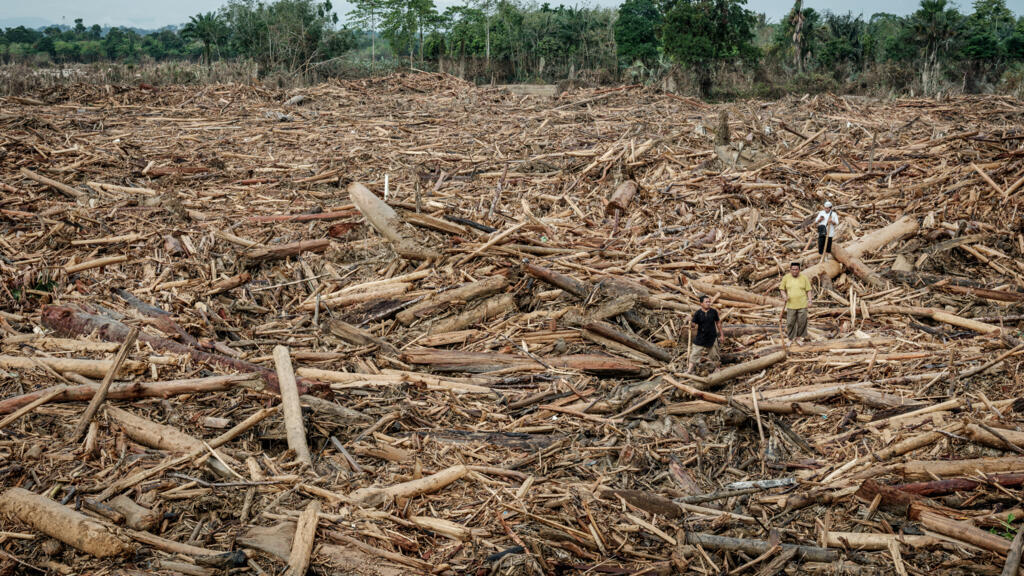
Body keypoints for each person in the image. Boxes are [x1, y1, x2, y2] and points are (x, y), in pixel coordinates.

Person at [687, 295, 724, 373]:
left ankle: (717, 369)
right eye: (706, 302)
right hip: (700, 337)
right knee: (694, 354)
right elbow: (693, 326)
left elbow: (718, 323)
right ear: (701, 303)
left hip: (712, 337)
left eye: (709, 302)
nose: (708, 303)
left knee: (715, 355)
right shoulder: (698, 313)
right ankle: (689, 370)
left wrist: (721, 335)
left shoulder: (713, 312)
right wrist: (690, 321)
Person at [779, 262, 812, 342]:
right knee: (790, 322)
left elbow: (808, 290)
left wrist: (810, 300)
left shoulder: (804, 278)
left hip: (802, 304)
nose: (794, 271)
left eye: (796, 269)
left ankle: (799, 337)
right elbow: (782, 289)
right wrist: (784, 296)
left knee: (802, 322)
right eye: (793, 269)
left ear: (799, 270)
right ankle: (791, 338)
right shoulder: (786, 278)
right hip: (791, 305)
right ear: (790, 269)